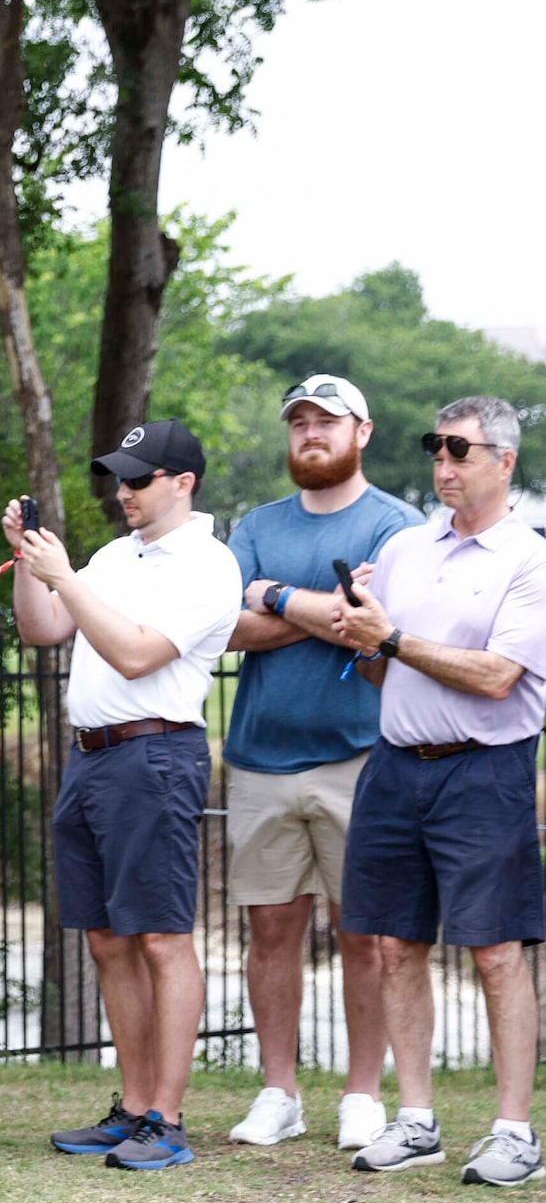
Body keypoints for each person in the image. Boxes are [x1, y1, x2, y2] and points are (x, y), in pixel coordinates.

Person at [9, 420, 243, 1172]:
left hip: (154, 754)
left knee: (160, 937)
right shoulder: (115, 554)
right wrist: (28, 561)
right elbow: (42, 628)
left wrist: (66, 576)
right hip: (91, 758)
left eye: (138, 479)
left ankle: (166, 1122)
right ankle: (133, 1105)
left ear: (183, 483)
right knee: (106, 938)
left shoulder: (207, 565)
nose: (123, 491)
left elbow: (138, 654)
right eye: (118, 477)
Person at [333, 397, 546, 1186]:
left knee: (495, 952)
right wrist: (363, 632)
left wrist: (388, 637)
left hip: (483, 768)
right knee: (391, 942)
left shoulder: (528, 557)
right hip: (395, 763)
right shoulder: (402, 549)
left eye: (460, 451)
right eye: (435, 449)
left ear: (503, 463)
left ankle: (514, 1133)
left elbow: (496, 678)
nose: (444, 465)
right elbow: (381, 666)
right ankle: (415, 1120)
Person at [220, 375, 415, 1149]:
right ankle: (278, 1091)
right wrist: (318, 610)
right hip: (258, 756)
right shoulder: (256, 522)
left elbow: (373, 631)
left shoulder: (395, 526)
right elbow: (222, 628)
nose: (310, 434)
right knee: (269, 929)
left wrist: (270, 595)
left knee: (362, 932)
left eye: (325, 422)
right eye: (298, 422)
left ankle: (362, 1093)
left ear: (360, 432)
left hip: (359, 757)